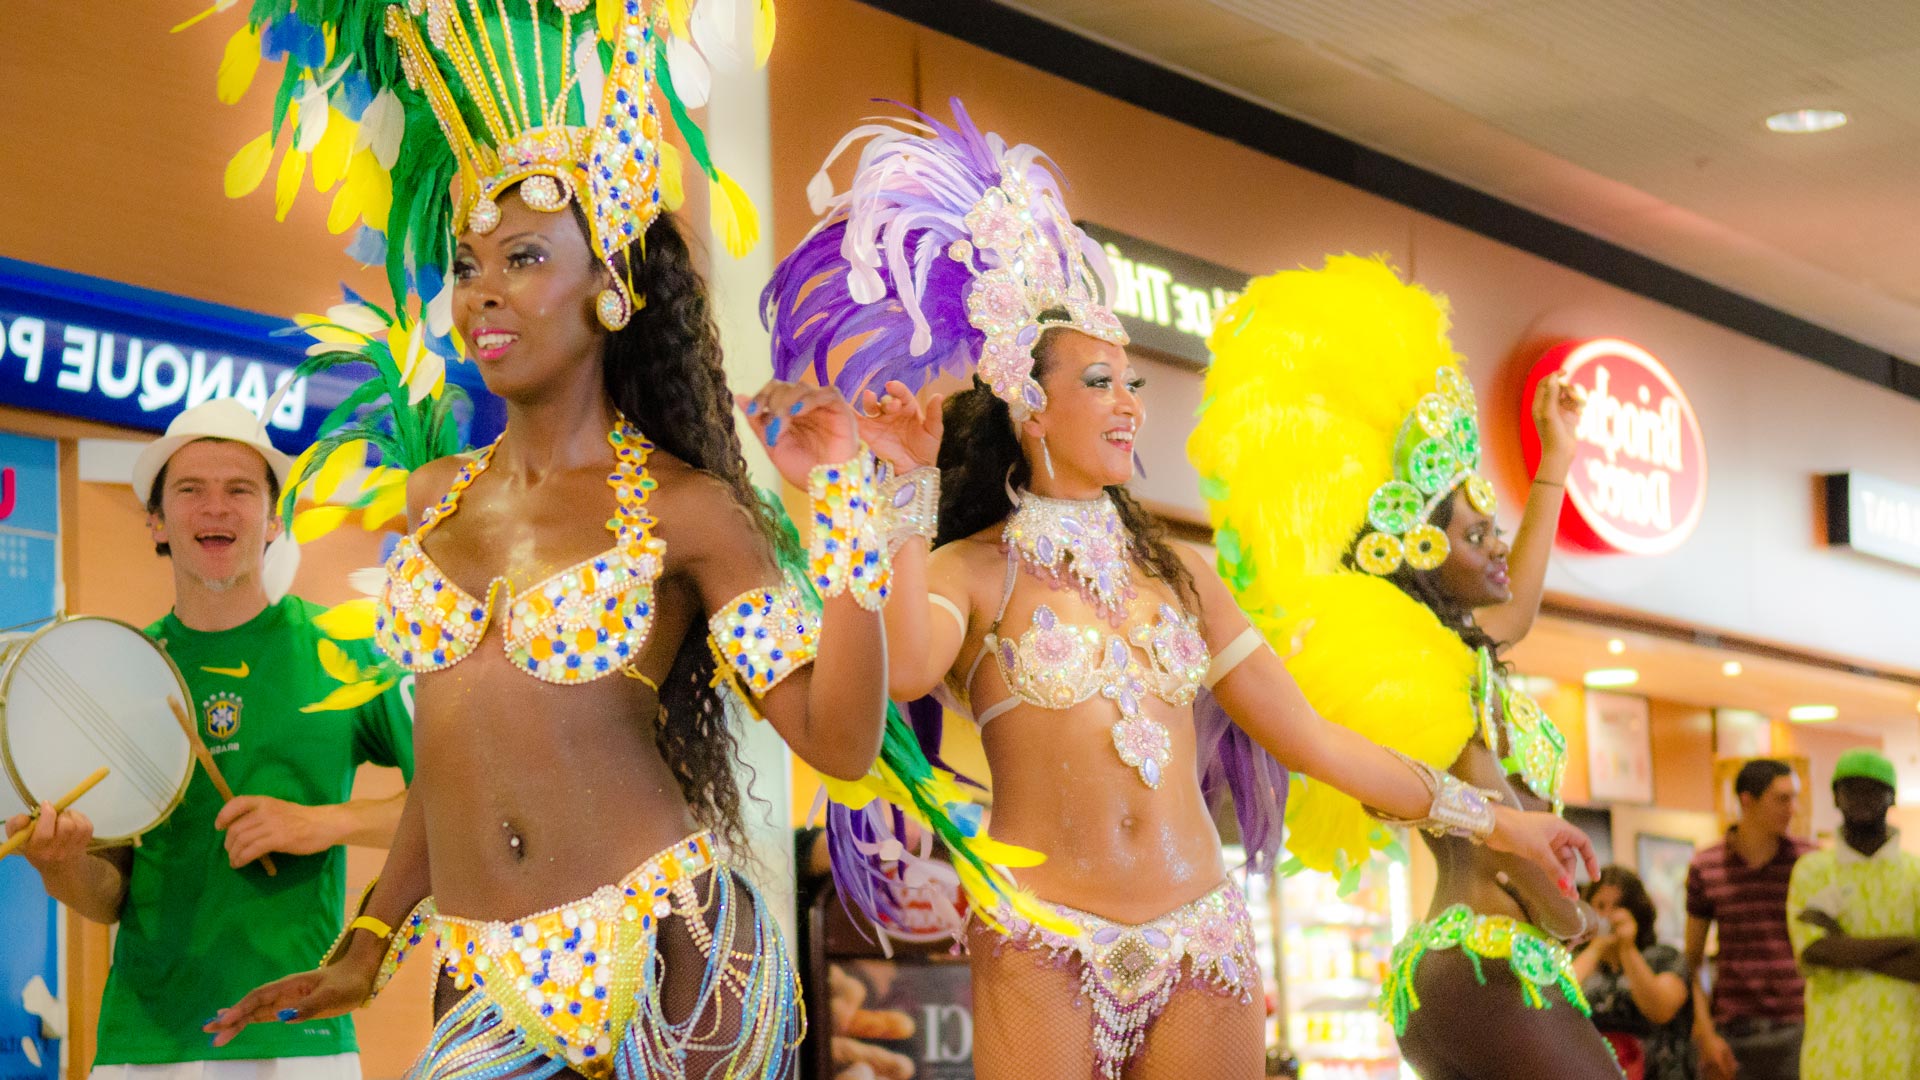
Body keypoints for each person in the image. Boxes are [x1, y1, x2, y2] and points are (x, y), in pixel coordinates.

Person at [764, 103, 1595, 1080]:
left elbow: (1318, 743)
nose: (1130, 405)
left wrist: (1500, 823)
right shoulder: (971, 571)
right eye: (1103, 383)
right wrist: (901, 490)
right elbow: (896, 669)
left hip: (1203, 932)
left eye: (1132, 385)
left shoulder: (1184, 578)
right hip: (1042, 934)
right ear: (1031, 405)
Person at [196, 3, 892, 1078]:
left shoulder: (686, 511)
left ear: (610, 287)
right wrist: (373, 941)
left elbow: (839, 744)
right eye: (468, 266)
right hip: (482, 977)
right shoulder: (432, 499)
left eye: (522, 258)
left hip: (673, 952)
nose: (482, 295)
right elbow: (450, 754)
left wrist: (849, 505)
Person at [1189, 256, 1622, 1080]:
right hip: (1487, 959)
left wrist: (1554, 457)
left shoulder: (1467, 656)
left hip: (1479, 966)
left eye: (1493, 523)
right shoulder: (1419, 671)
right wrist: (1571, 922)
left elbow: (1518, 605)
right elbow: (1507, 840)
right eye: (1473, 532)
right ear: (1418, 551)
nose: (1497, 541)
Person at [4, 397, 415, 1080]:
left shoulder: (343, 649)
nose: (215, 508)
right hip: (144, 1042)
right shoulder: (123, 673)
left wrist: (322, 823)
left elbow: (454, 803)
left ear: (273, 519)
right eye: (190, 491)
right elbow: (112, 897)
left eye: (239, 490)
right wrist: (60, 865)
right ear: (157, 522)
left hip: (298, 1036)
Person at [1786, 748, 1920, 1080]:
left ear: (1891, 798)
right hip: (1832, 1049)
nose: (1862, 798)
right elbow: (1814, 950)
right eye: (1851, 789)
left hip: (1905, 1048)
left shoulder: (1915, 873)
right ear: (1835, 797)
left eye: (1873, 789)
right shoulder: (1812, 871)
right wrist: (1904, 942)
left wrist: (1843, 945)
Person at [1685, 759, 1810, 1080]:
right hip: (1733, 1029)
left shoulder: (1809, 862)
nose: (1793, 809)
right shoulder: (1707, 866)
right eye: (1782, 799)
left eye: (1795, 798)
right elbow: (1693, 960)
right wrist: (1705, 1032)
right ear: (1747, 800)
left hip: (1797, 1025)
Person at [1575, 867, 1694, 1080]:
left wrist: (1627, 948)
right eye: (1600, 906)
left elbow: (1660, 1009)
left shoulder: (1664, 957)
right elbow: (1554, 998)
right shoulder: (1580, 961)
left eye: (1620, 906)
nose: (1609, 916)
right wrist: (1595, 948)